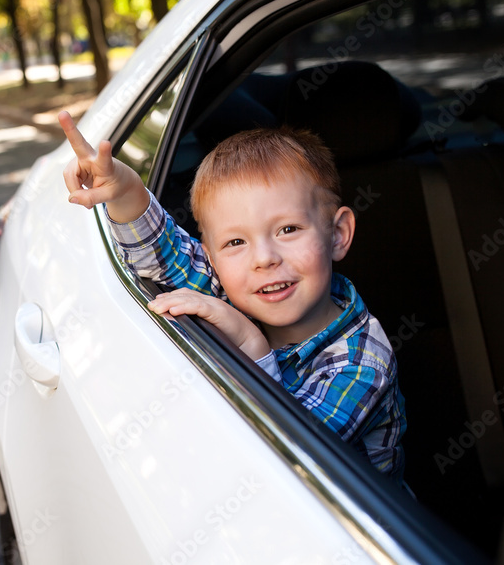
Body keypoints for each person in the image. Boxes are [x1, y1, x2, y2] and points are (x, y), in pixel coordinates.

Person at [58, 111, 407, 481]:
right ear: (212, 258)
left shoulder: (363, 363)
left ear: (337, 234)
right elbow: (163, 254)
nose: (264, 259)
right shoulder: (237, 285)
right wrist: (126, 190)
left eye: (288, 229)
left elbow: (293, 458)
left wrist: (249, 343)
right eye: (236, 242)